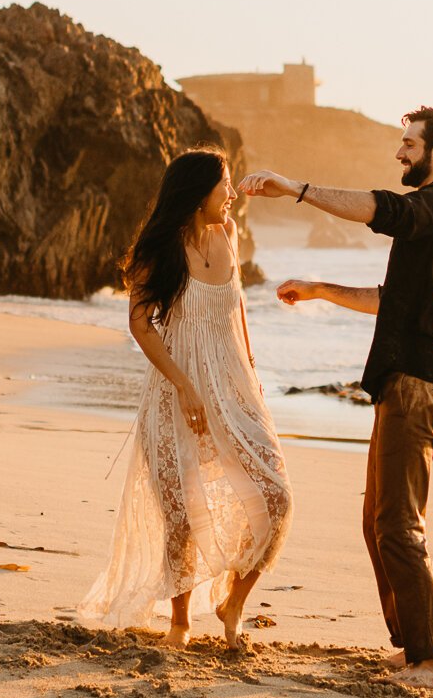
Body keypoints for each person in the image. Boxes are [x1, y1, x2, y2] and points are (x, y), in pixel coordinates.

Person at [238, 107, 433, 689]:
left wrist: (298, 190)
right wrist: (320, 289)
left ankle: (430, 661)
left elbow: (383, 210)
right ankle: (413, 646)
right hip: (407, 381)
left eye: (408, 144)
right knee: (377, 521)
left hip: (420, 384)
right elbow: (390, 299)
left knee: (397, 524)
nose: (399, 154)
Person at [78, 148, 292, 649]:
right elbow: (139, 322)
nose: (233, 195)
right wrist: (183, 384)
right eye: (224, 186)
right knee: (182, 514)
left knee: (277, 496)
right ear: (199, 195)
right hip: (177, 388)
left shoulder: (229, 234)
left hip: (233, 385)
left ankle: (232, 601)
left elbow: (237, 303)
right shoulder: (162, 248)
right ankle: (180, 623)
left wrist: (252, 367)